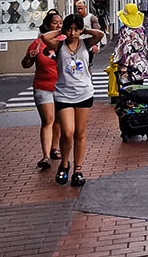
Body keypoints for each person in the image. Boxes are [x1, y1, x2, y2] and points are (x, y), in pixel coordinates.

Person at [38, 14, 95, 186]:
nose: (72, 33)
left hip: (84, 93)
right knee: (67, 132)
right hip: (63, 94)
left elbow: (99, 35)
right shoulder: (59, 45)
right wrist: (60, 31)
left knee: (80, 133)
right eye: (69, 29)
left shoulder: (86, 43)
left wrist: (83, 30)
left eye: (76, 29)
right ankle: (64, 164)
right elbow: (44, 37)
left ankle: (78, 169)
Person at [22, 9, 63, 169]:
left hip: (62, 87)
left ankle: (55, 148)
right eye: (55, 23)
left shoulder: (64, 41)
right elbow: (25, 65)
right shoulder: (37, 43)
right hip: (43, 87)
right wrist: (29, 57)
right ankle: (45, 156)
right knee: (48, 120)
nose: (58, 26)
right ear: (46, 25)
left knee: (58, 120)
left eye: (60, 23)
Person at [112, 3, 148, 85]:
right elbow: (147, 47)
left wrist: (119, 63)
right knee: (139, 87)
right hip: (141, 62)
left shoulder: (124, 30)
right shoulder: (141, 29)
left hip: (129, 62)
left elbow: (122, 48)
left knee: (128, 89)